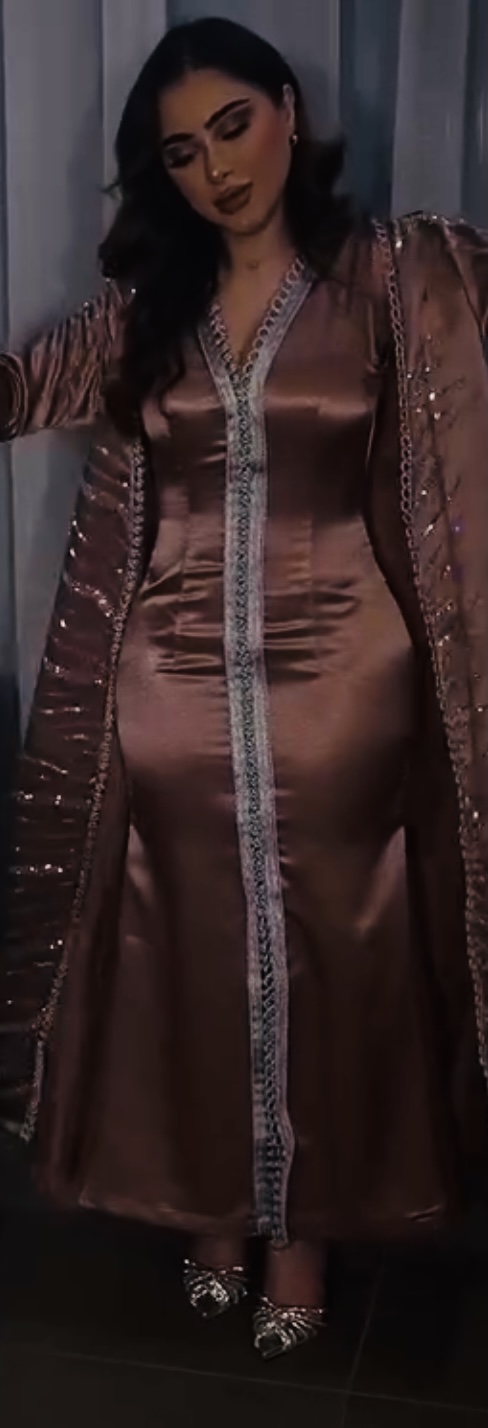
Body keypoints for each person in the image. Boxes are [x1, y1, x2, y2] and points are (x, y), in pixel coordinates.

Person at [0, 15, 487, 1361]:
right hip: (169, 687)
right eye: (182, 152)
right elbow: (15, 392)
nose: (218, 168)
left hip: (348, 686)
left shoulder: (391, 277)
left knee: (339, 959)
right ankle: (212, 1210)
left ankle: (305, 1232)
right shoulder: (139, 318)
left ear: (288, 109)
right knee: (191, 954)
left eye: (233, 125)